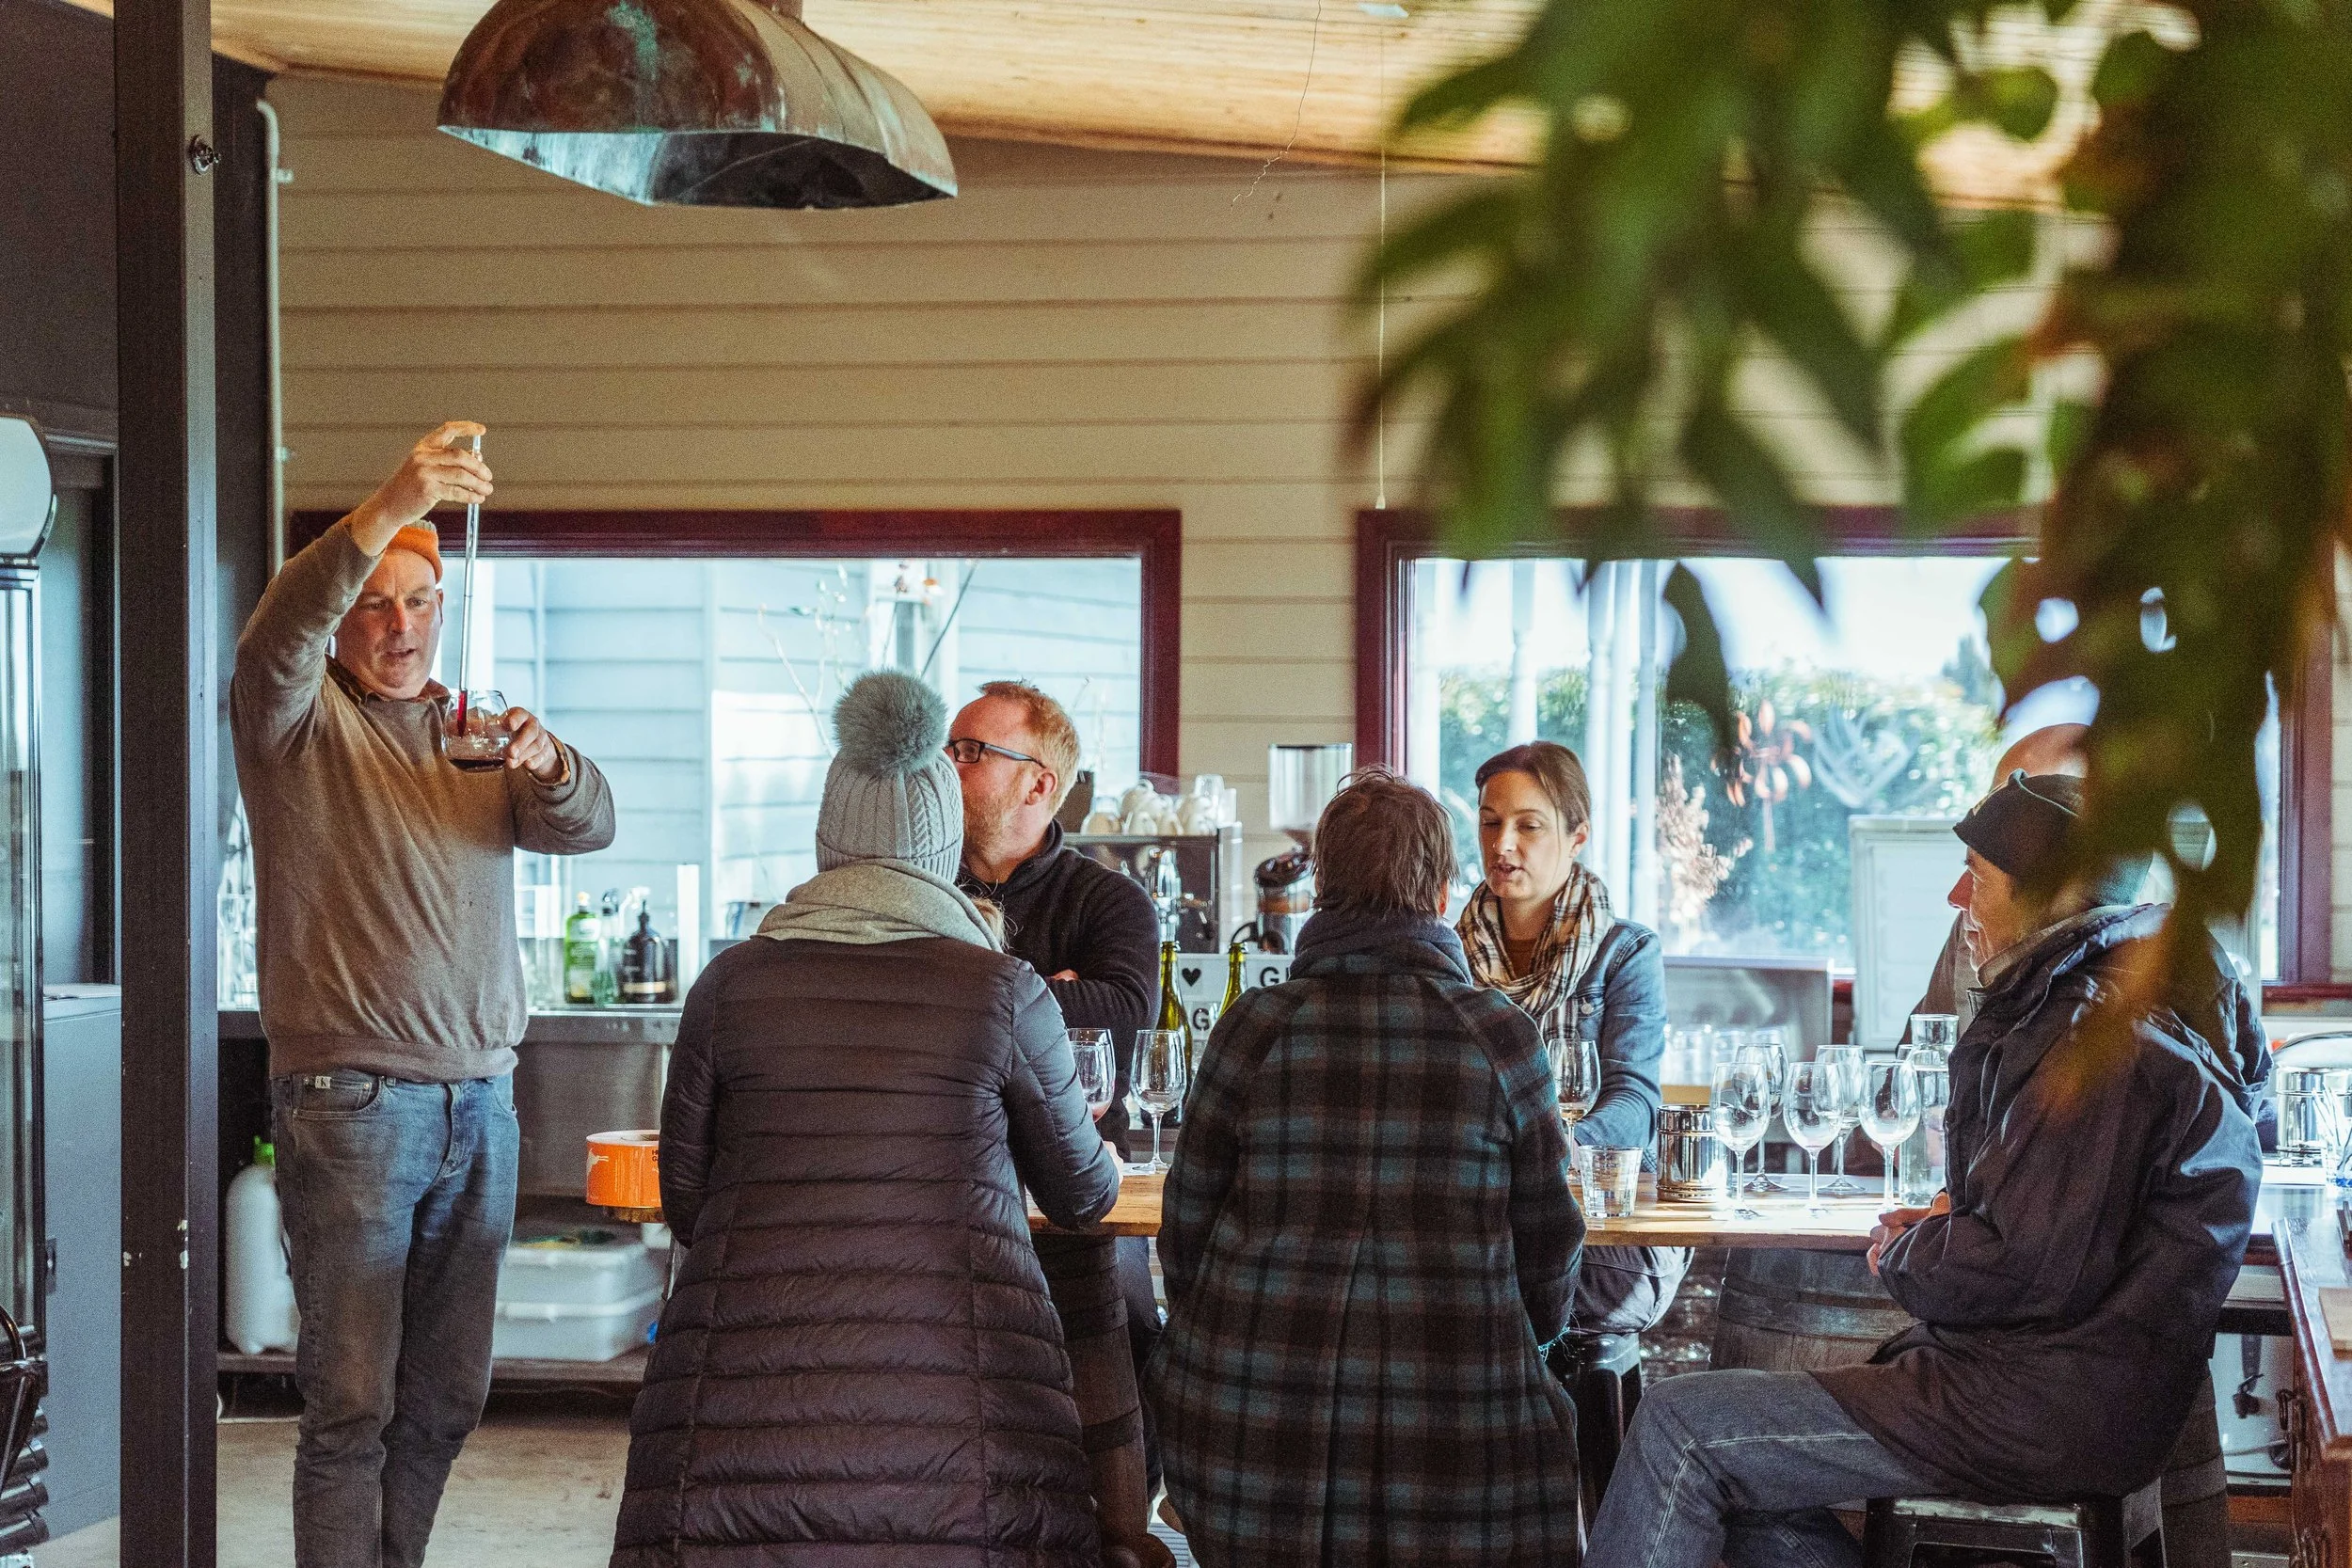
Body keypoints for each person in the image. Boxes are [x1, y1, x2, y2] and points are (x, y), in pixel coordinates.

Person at [1583, 771, 2265, 1568]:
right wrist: (1952, 1224)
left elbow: (2018, 1266)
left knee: (1675, 1427)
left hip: (2029, 1404)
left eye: (1976, 876)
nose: (1955, 897)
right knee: (1723, 1487)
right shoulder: (2118, 1008)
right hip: (2076, 1394)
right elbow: (2049, 1234)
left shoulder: (2088, 1038)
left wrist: (1909, 1250)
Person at [613, 671, 1122, 1568]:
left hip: (732, 1435)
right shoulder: (1003, 991)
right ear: (937, 845)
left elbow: (686, 1203)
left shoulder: (731, 982)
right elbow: (1082, 1197)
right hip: (969, 1444)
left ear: (828, 837)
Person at [230, 420, 616, 1568]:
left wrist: (546, 760)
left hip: (482, 1106)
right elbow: (276, 631)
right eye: (376, 603)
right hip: (352, 1107)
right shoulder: (294, 720)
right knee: (351, 1405)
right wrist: (395, 496)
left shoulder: (471, 734)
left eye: (421, 600)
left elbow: (591, 826)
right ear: (343, 617)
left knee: (446, 1396)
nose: (401, 626)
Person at [1149, 768, 1583, 1568]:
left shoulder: (1256, 1027)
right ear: (1442, 890)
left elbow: (1184, 1236)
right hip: (1459, 1441)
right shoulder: (1500, 1036)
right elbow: (1551, 1246)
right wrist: (1516, 1344)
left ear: (1323, 886)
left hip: (1252, 1437)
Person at [946, 680, 1168, 1481]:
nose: (947, 763)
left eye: (972, 751)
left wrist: (985, 988)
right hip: (948, 1186)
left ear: (1039, 783)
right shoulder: (923, 889)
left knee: (1137, 1324)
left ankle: (1120, 1514)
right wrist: (1048, 991)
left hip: (1075, 1186)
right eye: (949, 745)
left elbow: (1123, 1016)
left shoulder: (1111, 900)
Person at [1457, 740, 1687, 1338]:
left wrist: (1542, 1151)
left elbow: (1634, 1099)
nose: (1503, 844)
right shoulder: (1448, 953)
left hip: (1605, 1224)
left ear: (1577, 835)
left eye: (1528, 826)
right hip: (1480, 1212)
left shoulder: (1626, 952)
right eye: (1490, 822)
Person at [1912, 722, 2088, 1031]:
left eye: (2026, 807)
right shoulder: (1974, 924)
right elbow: (1923, 1052)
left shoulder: (2161, 945)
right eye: (1996, 801)